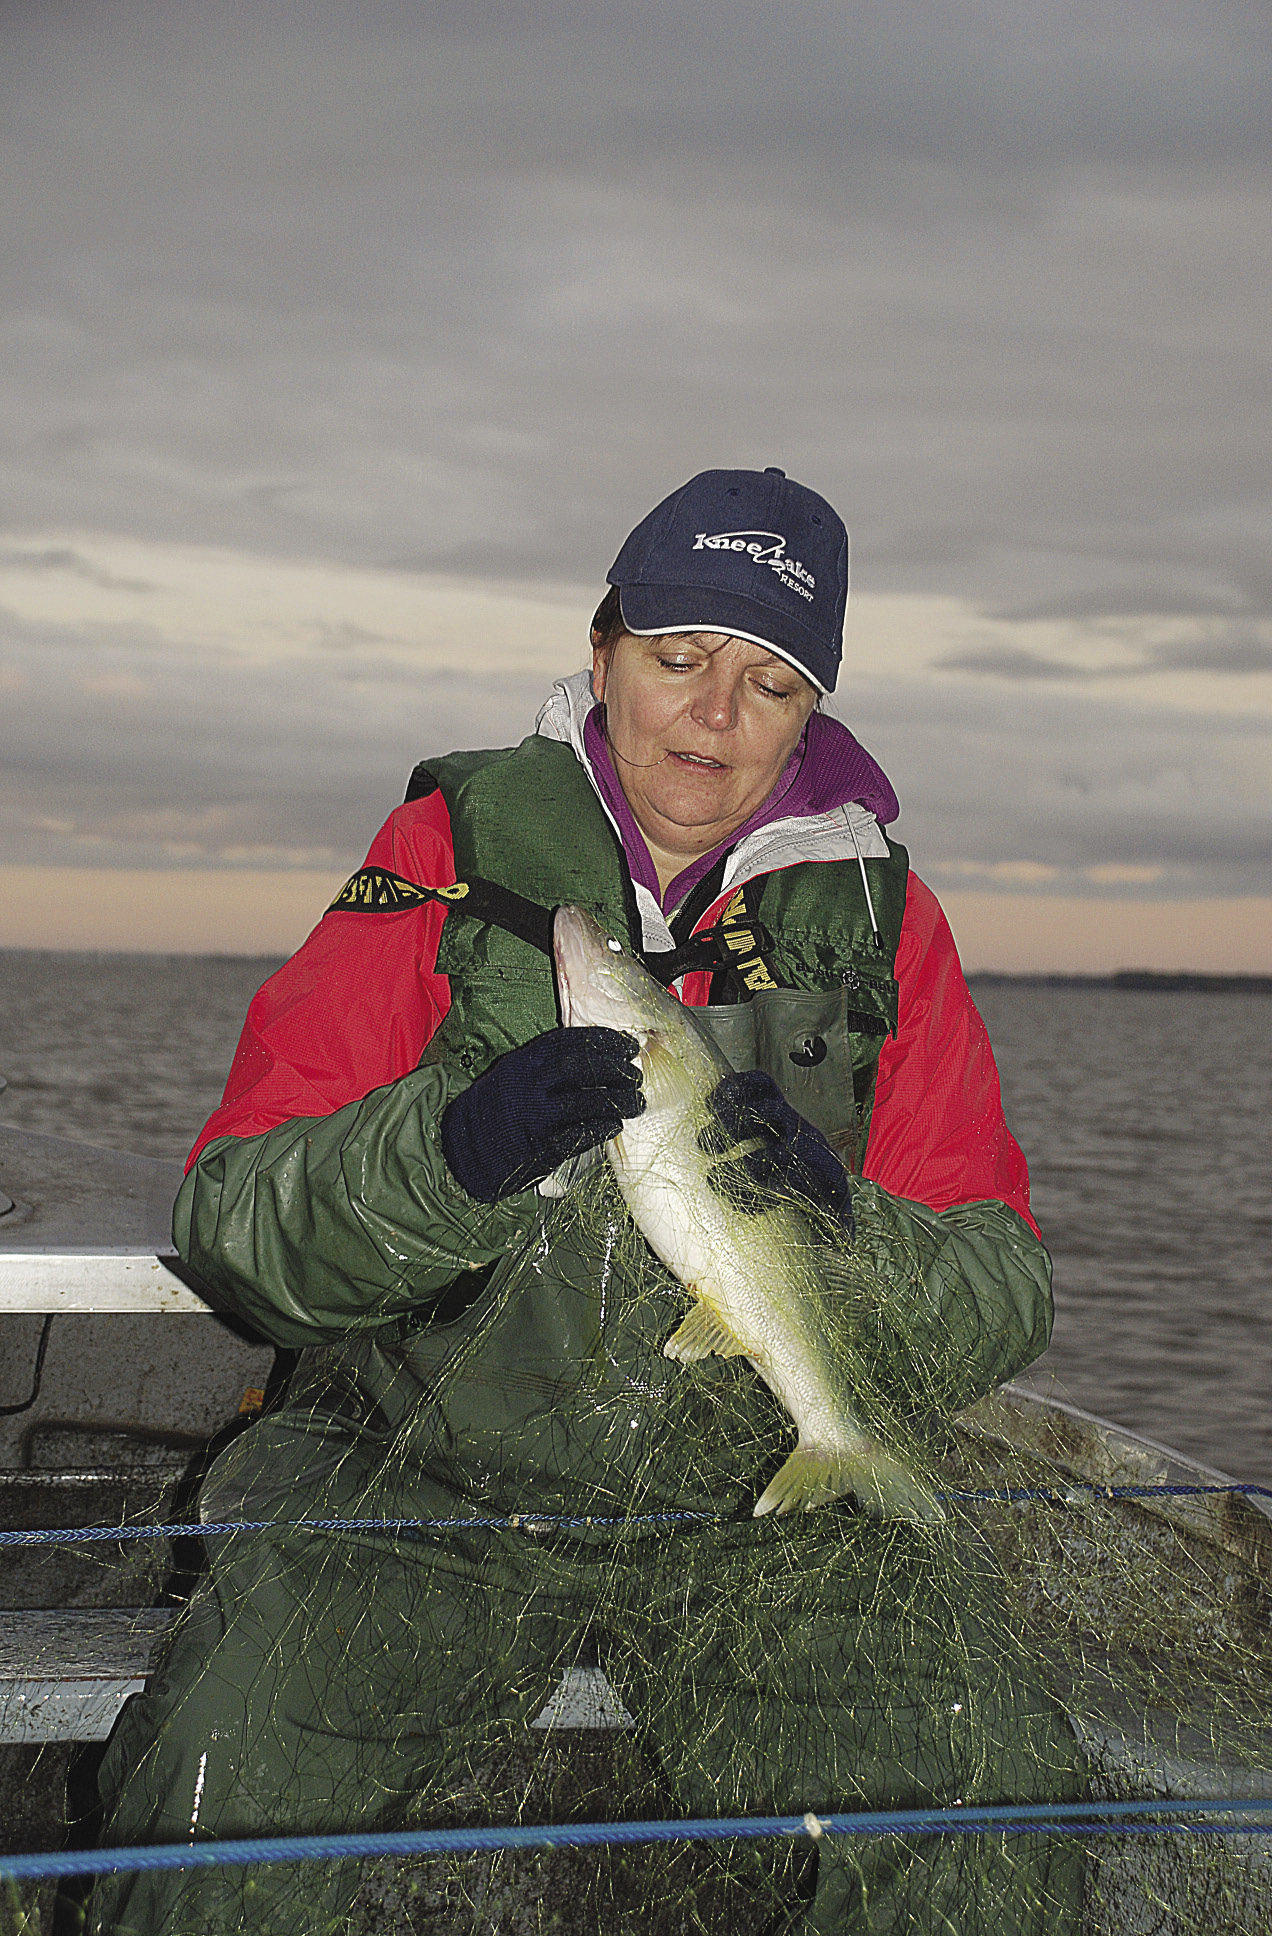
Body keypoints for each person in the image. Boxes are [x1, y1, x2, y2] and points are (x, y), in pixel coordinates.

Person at [93, 468, 1085, 1934]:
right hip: (419, 1487)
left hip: (757, 1514)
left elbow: (1004, 1287)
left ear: (813, 714)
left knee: (994, 1815)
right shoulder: (450, 853)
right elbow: (240, 1222)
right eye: (680, 659)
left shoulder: (886, 923)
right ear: (607, 651)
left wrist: (853, 1238)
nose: (713, 714)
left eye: (770, 682)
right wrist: (442, 1161)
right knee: (211, 1809)